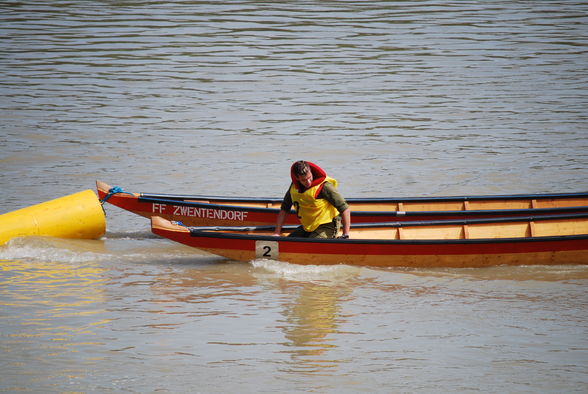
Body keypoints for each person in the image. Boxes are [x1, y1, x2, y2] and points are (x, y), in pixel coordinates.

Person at [272, 160, 351, 238]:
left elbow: (345, 209)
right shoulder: (294, 188)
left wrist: (345, 235)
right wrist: (277, 233)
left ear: (311, 172)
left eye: (310, 177)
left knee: (311, 245)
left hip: (328, 225)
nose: (308, 182)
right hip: (308, 227)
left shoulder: (325, 187)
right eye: (304, 180)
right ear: (297, 178)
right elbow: (284, 209)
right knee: (288, 243)